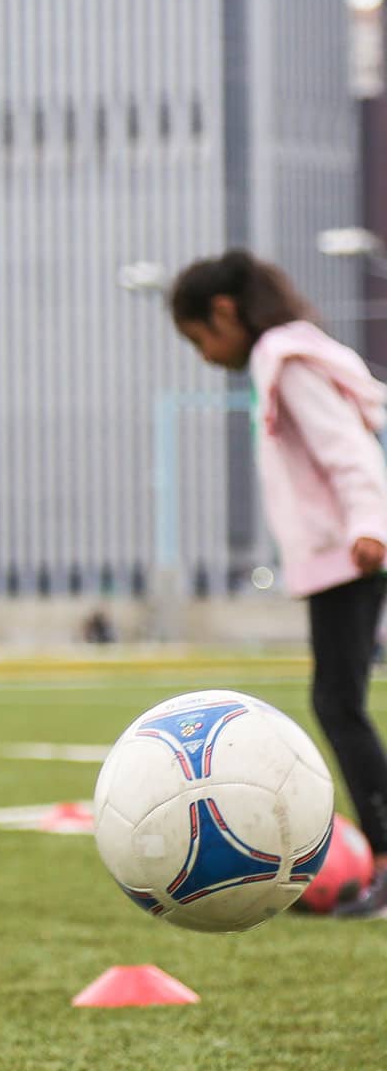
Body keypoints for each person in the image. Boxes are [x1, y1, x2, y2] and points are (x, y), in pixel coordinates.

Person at [171, 248, 387, 917]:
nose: (206, 355)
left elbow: (346, 448)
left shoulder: (283, 359)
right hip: (343, 551)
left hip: (351, 553)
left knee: (337, 703)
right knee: (336, 700)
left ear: (226, 311)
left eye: (202, 336)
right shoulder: (293, 354)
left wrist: (369, 523)